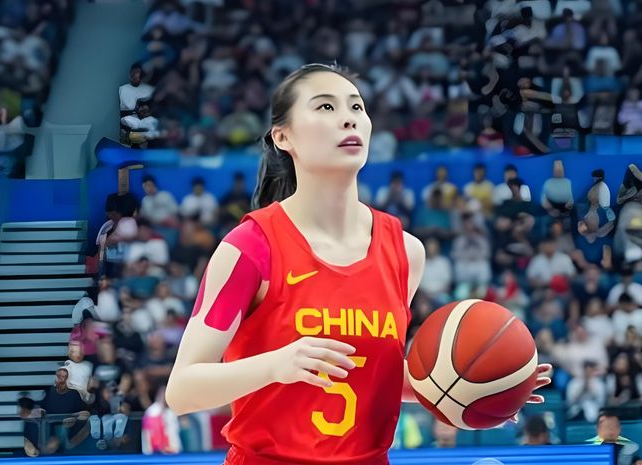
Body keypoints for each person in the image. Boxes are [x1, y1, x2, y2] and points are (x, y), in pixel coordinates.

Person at [165, 64, 551, 465]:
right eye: (326, 107)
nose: (349, 118)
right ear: (283, 137)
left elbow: (374, 376)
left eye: (356, 107)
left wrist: (482, 384)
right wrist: (276, 365)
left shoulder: (406, 251)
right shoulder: (250, 247)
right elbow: (182, 391)